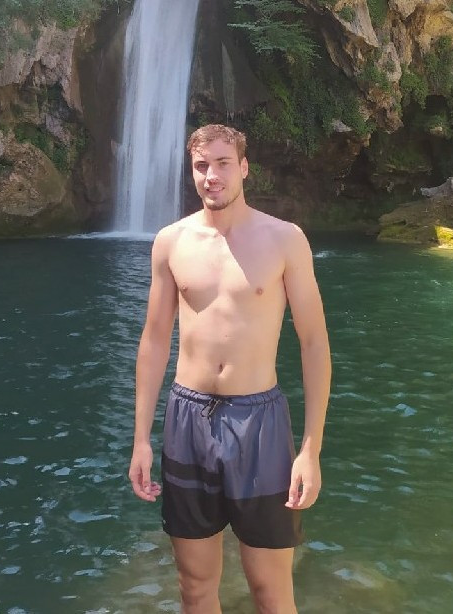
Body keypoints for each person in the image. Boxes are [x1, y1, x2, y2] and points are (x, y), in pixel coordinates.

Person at [128, 124, 331, 614]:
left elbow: (313, 343)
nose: (211, 176)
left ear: (244, 168)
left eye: (223, 164)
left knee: (270, 590)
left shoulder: (285, 239)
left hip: (259, 422)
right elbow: (154, 341)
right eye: (201, 166)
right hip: (187, 419)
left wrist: (311, 450)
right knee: (195, 587)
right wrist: (140, 440)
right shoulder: (171, 241)